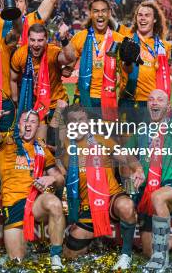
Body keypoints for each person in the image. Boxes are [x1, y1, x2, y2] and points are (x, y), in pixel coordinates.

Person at [127, 52, 172, 271]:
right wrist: (137, 168)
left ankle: (161, 260)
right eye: (151, 99)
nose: (154, 102)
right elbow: (127, 155)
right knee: (148, 249)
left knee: (159, 196)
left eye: (160, 99)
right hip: (147, 192)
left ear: (168, 107)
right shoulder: (140, 130)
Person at [57, 104, 142, 270]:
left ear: (88, 122)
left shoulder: (102, 140)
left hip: (110, 198)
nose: (78, 123)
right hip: (87, 206)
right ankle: (92, 237)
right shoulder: (64, 148)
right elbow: (59, 176)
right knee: (70, 255)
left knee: (126, 206)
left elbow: (126, 156)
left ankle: (126, 255)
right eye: (73, 120)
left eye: (81, 119)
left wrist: (137, 169)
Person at [0, 110, 65, 270]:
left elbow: (60, 179)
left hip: (35, 202)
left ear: (38, 127)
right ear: (19, 124)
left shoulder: (41, 148)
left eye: (33, 122)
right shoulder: (6, 140)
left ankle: (56, 256)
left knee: (54, 203)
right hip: (13, 204)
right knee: (17, 262)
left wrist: (51, 178)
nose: (28, 125)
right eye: (25, 121)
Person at [10, 24, 71, 149]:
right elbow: (13, 79)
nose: (36, 44)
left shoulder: (53, 51)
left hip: (57, 105)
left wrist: (64, 39)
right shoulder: (20, 55)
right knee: (41, 148)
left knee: (58, 148)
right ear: (27, 39)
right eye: (32, 40)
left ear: (46, 39)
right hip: (37, 108)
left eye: (40, 40)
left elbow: (69, 58)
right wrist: (16, 103)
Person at [117, 1, 172, 122]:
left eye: (147, 15)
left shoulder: (164, 47)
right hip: (127, 102)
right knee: (125, 140)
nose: (143, 18)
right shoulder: (126, 36)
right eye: (140, 15)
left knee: (148, 140)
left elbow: (170, 76)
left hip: (151, 104)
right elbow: (105, 18)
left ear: (155, 20)